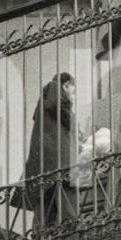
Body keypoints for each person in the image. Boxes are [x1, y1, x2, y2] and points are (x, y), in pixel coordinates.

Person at [23, 72, 80, 227]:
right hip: (58, 159)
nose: (72, 97)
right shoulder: (53, 87)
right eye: (72, 91)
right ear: (66, 84)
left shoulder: (43, 106)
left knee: (44, 202)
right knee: (66, 195)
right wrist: (75, 126)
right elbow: (57, 105)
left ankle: (41, 239)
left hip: (44, 162)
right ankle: (72, 230)